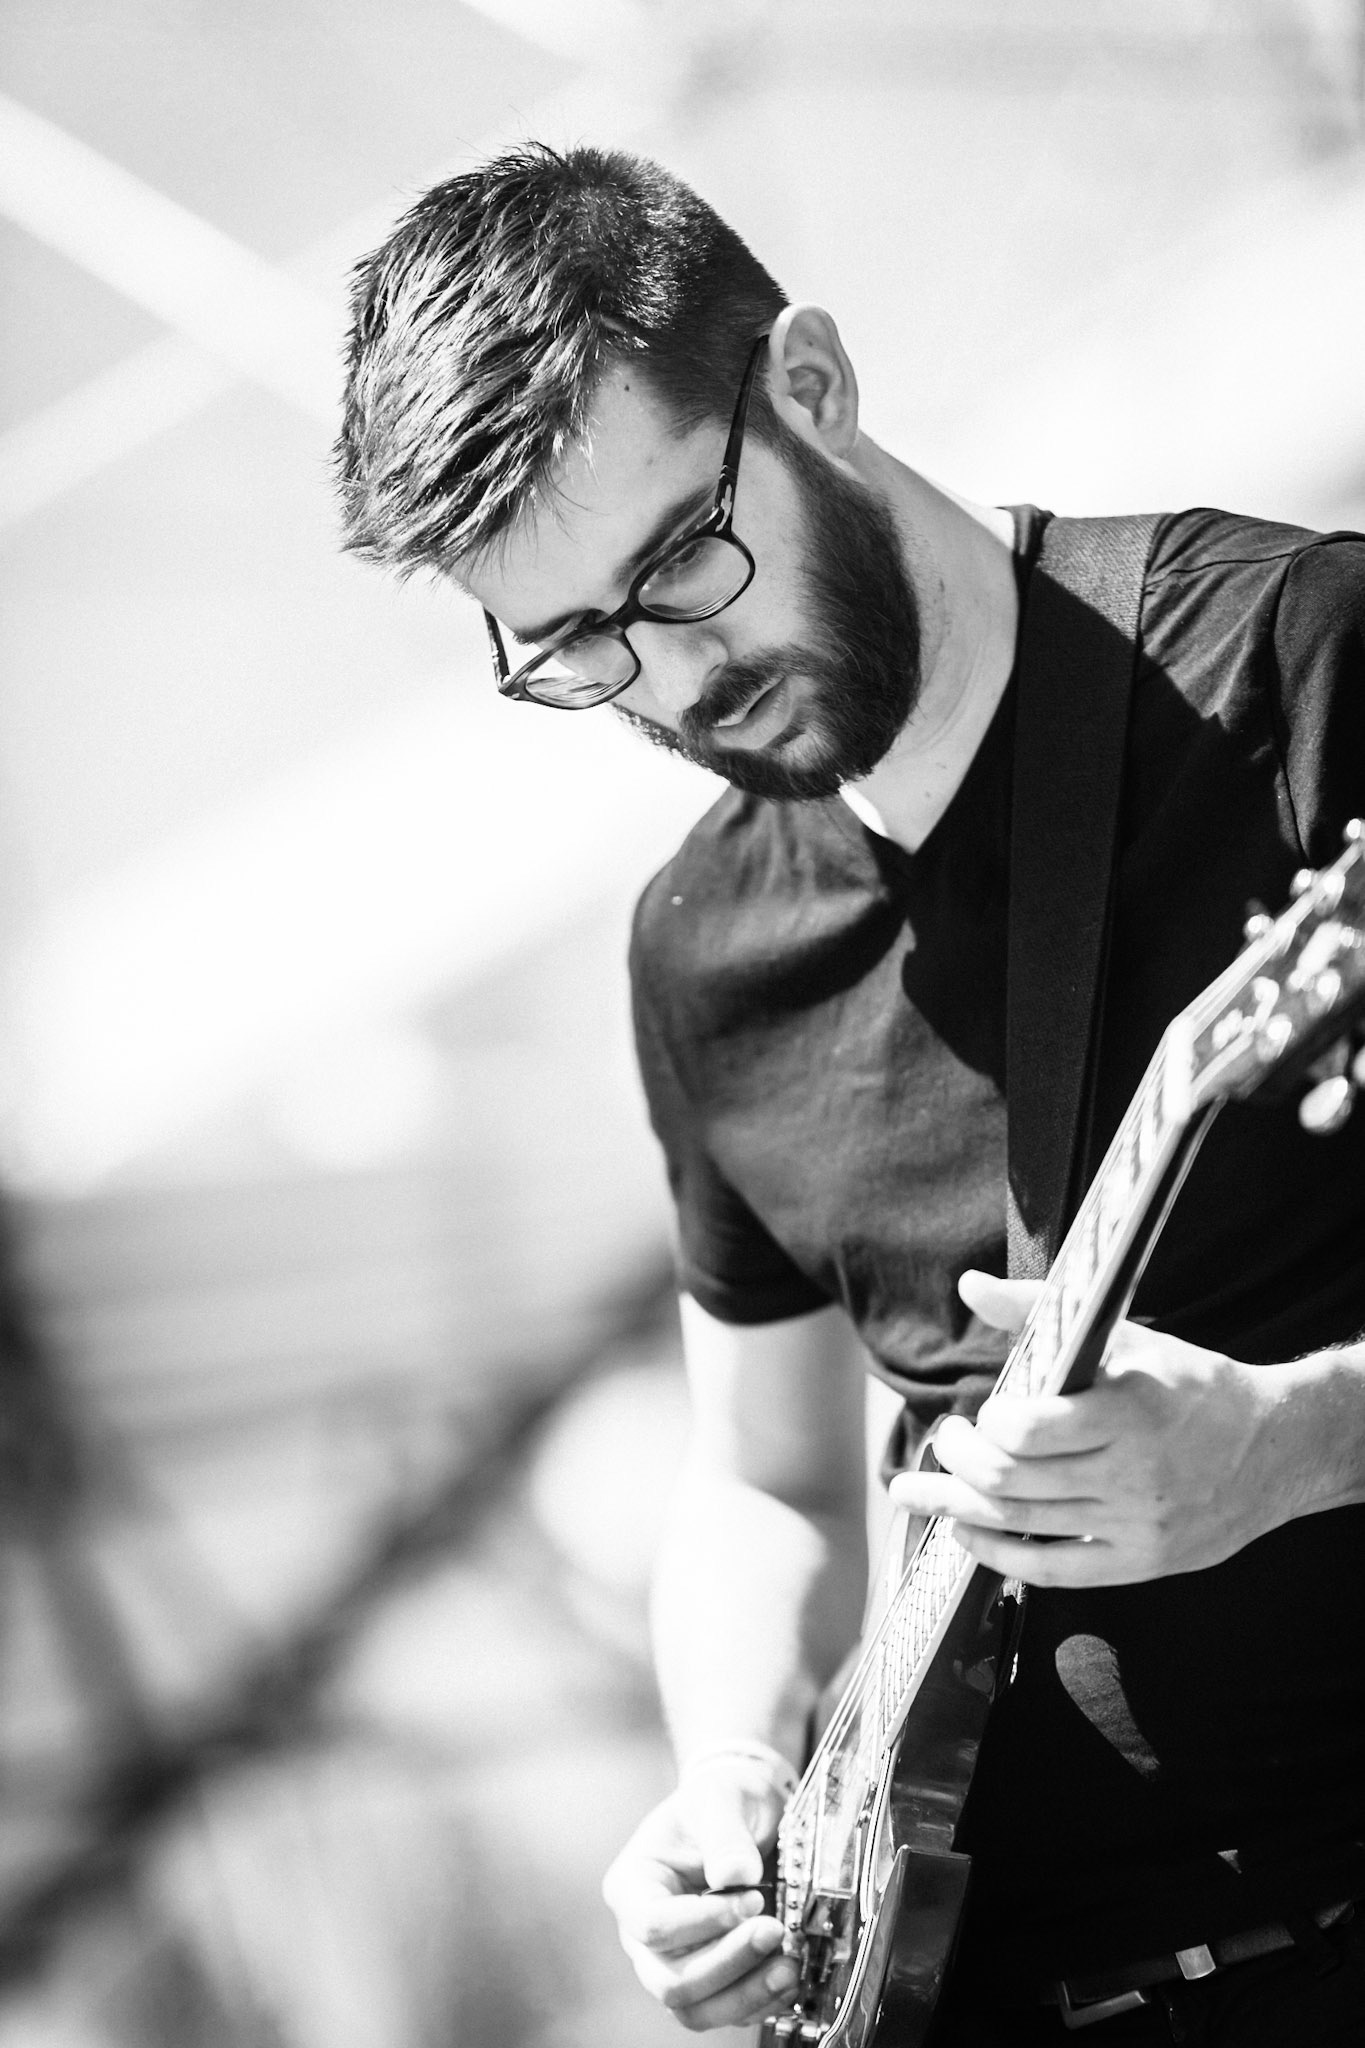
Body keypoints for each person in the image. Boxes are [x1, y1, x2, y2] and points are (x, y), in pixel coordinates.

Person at [335, 144, 1365, 2044]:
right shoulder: (701, 951)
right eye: (571, 645)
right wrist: (729, 1769)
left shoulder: (1296, 660)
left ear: (811, 383)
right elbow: (766, 1479)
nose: (671, 679)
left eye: (677, 564)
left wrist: (1296, 1440)